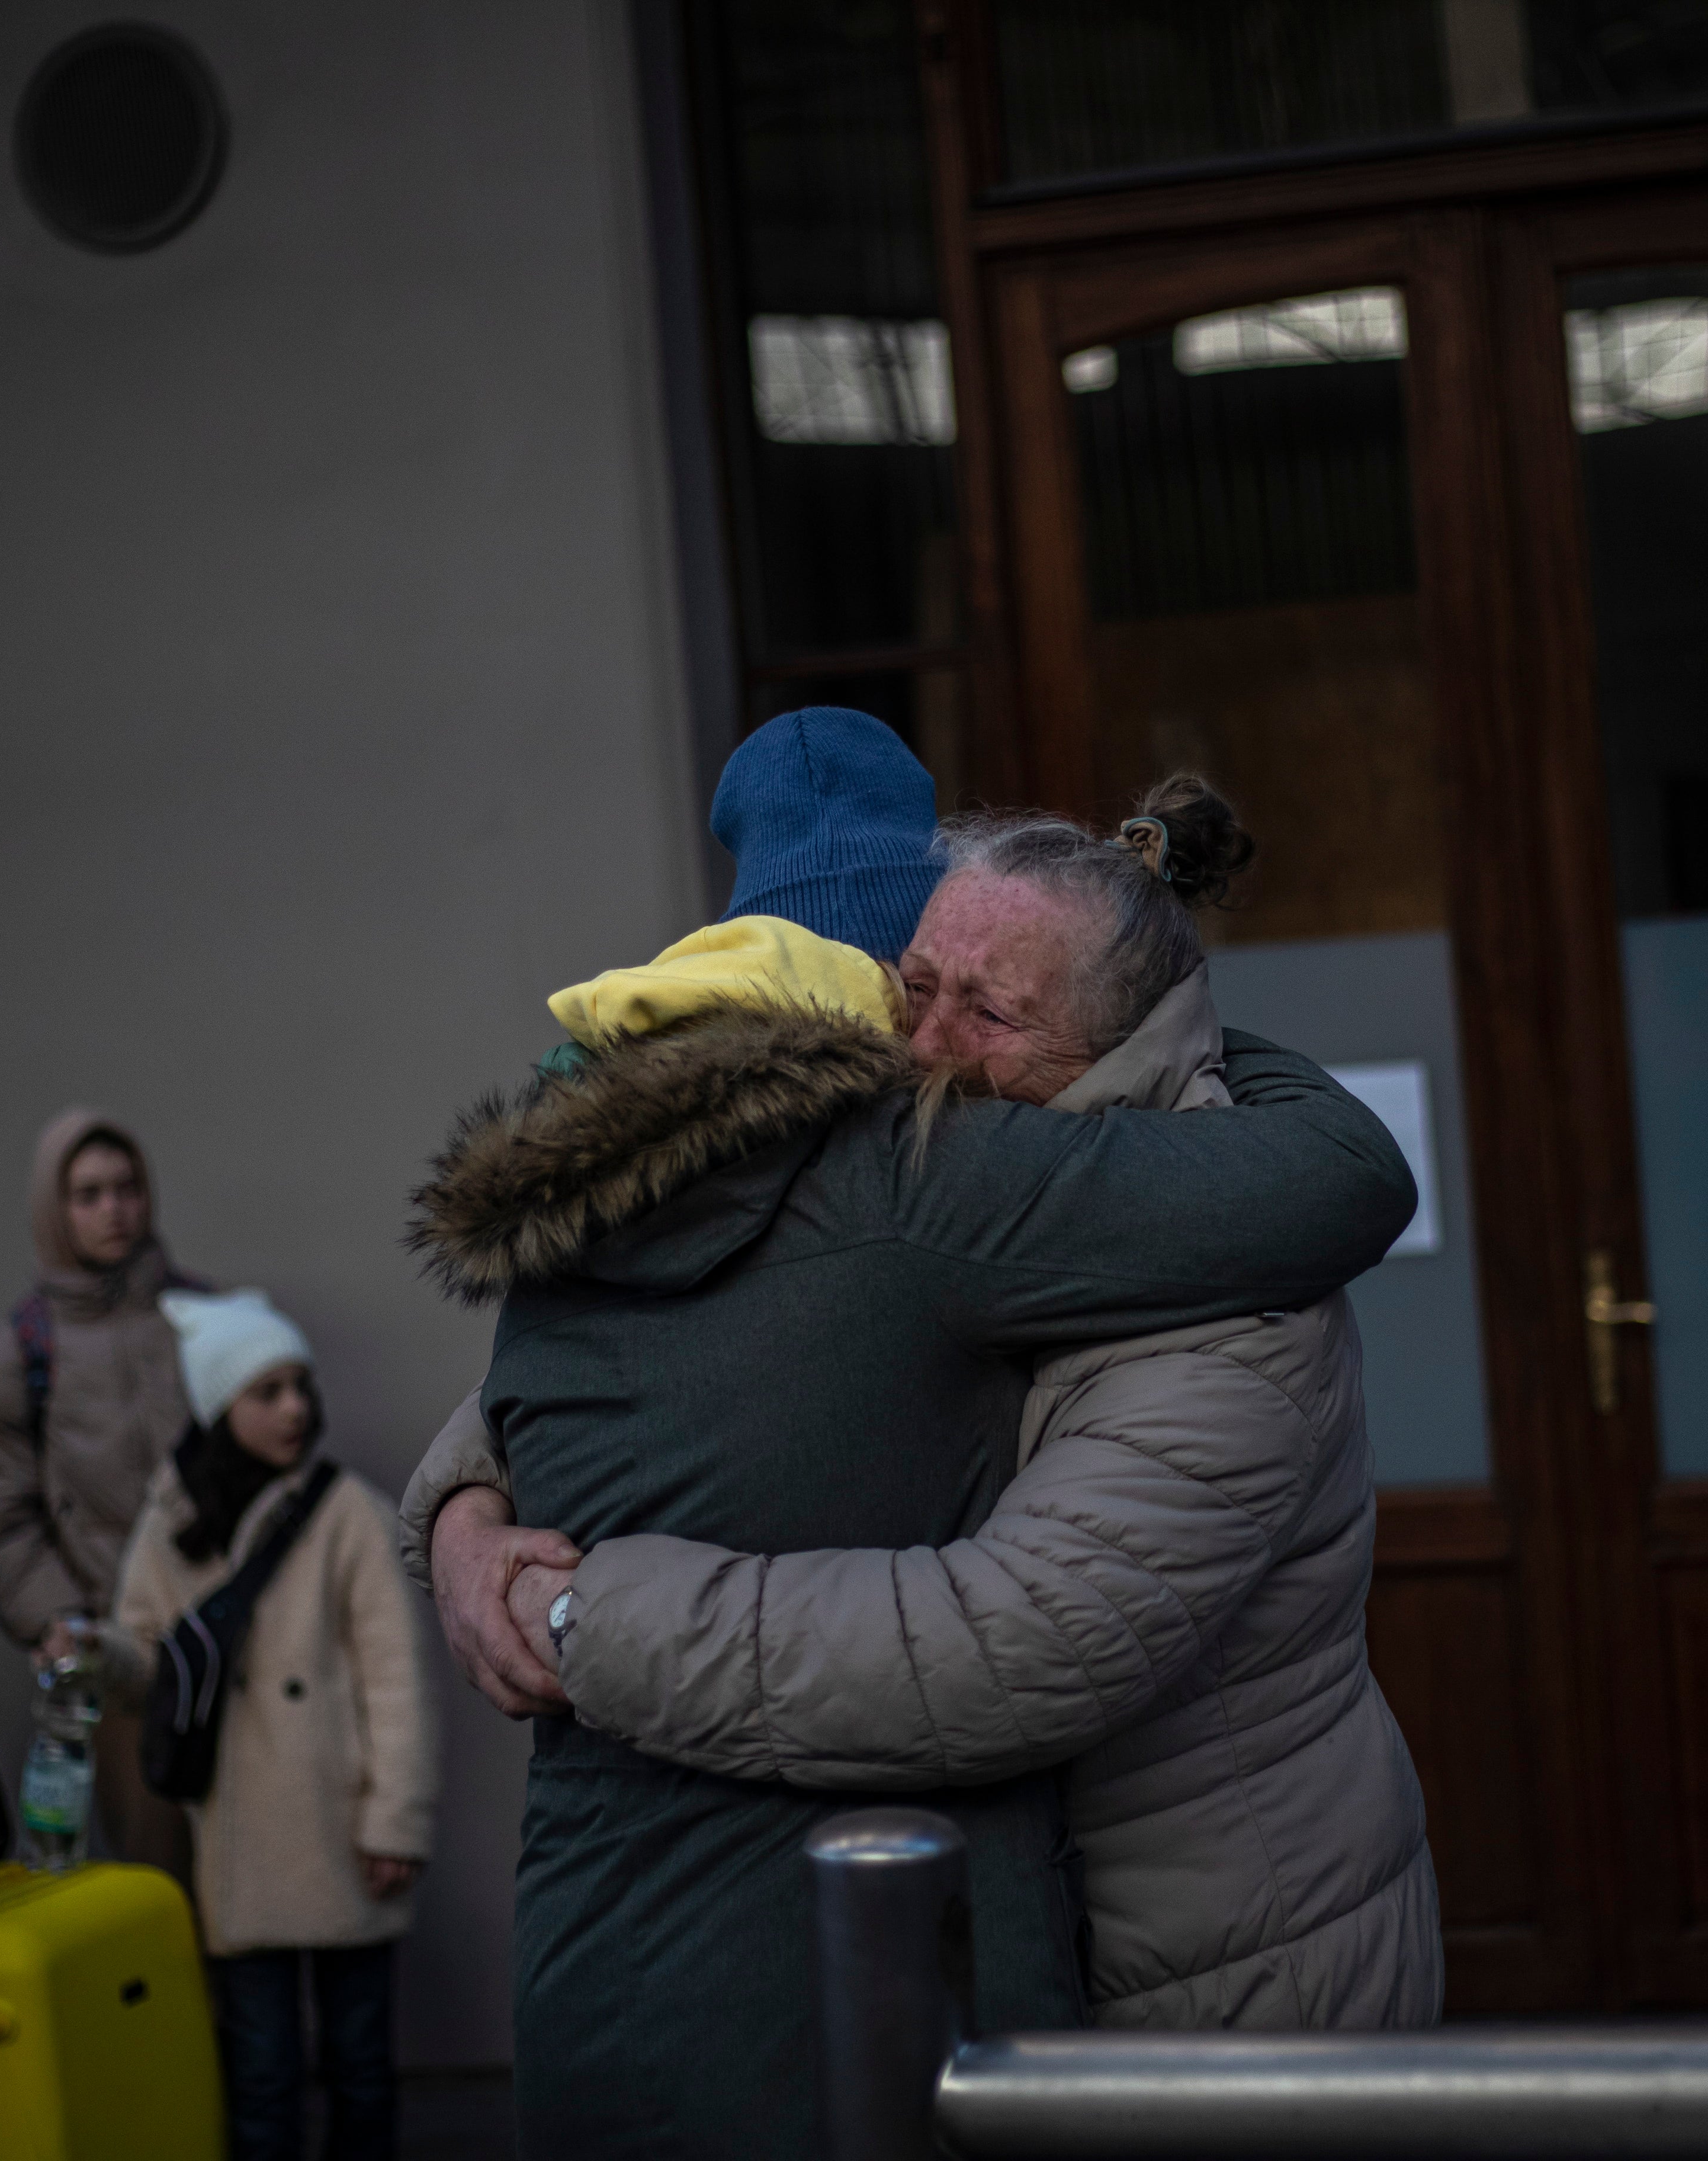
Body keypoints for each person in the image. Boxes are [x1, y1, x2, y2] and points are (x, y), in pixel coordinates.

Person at [397, 723, 1417, 2158]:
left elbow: (1011, 1642)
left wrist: (576, 1612)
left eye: (986, 1011)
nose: (920, 1053)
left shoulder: (1208, 1270)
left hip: (1222, 1975)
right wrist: (460, 1508)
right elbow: (672, 1351)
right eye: (908, 992)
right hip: (1037, 1968)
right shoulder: (951, 1188)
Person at [91, 1289, 435, 2161]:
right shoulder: (174, 1521)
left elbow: (397, 1680)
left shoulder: (345, 1510)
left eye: (300, 1387)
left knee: (359, 2065)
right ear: (219, 1406)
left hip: (345, 1832)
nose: (295, 1409)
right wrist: (89, 1656)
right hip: (239, 1838)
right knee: (262, 2071)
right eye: (267, 1391)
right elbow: (141, 1660)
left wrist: (395, 1819)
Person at [0, 1107, 205, 1878]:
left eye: (127, 1188)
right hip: (122, 1663)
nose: (114, 1210)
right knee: (157, 1891)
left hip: (234, 1644)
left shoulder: (202, 1316)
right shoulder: (21, 1353)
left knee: (264, 1890)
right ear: (54, 1211)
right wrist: (62, 1622)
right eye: (88, 1194)